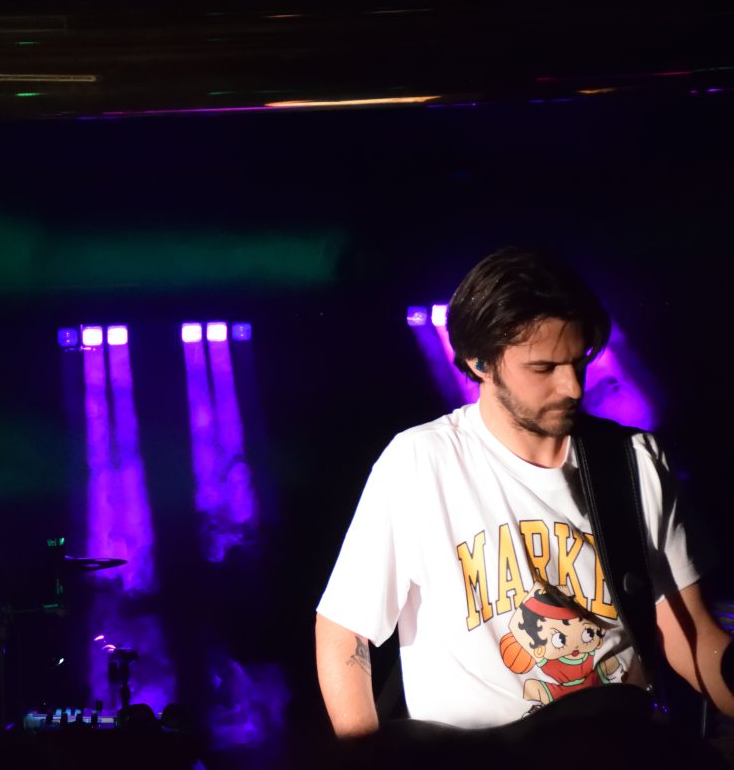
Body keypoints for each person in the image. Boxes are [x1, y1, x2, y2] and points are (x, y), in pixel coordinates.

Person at [314, 247, 734, 753]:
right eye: (544, 367)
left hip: (615, 744)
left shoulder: (633, 460)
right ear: (480, 362)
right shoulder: (419, 462)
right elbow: (343, 633)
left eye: (579, 361)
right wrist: (366, 761)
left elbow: (689, 633)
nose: (572, 386)